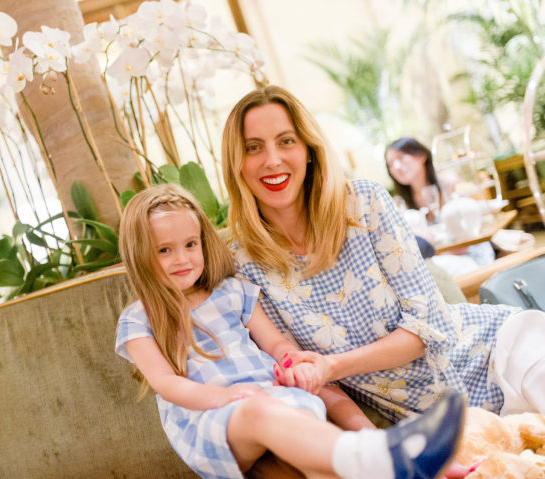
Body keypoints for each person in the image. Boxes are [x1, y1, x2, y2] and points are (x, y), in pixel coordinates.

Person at [221, 85, 545, 424]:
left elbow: (429, 325)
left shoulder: (364, 203)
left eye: (286, 141)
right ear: (236, 163)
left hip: (500, 351)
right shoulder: (241, 262)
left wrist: (332, 366)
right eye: (253, 147)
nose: (272, 160)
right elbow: (308, 378)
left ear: (309, 150)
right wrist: (370, 447)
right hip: (435, 418)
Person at [115, 183, 464, 479]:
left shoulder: (232, 292)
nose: (182, 258)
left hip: (272, 398)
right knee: (257, 412)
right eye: (164, 250)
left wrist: (291, 361)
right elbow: (167, 384)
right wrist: (226, 398)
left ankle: (395, 463)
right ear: (139, 254)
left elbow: (276, 342)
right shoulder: (139, 318)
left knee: (311, 428)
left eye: (191, 244)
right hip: (209, 420)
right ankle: (379, 455)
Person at [384, 137, 495, 276]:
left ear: (422, 156)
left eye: (400, 158)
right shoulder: (400, 203)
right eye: (390, 164)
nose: (396, 167)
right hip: (438, 260)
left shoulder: (450, 184)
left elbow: (476, 225)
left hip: (471, 254)